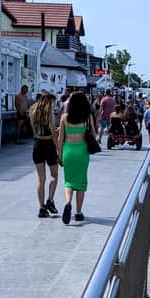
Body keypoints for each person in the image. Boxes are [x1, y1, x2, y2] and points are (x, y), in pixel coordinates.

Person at [57, 92, 94, 224]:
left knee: (69, 181)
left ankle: (68, 203)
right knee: (81, 182)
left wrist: (60, 155)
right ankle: (78, 212)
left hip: (68, 150)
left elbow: (60, 138)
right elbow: (93, 135)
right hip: (82, 151)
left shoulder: (64, 117)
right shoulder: (87, 117)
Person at [29, 93, 59, 218]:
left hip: (37, 144)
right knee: (54, 176)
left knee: (41, 179)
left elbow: (34, 130)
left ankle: (41, 208)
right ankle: (50, 201)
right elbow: (53, 132)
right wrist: (59, 149)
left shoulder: (32, 111)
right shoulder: (49, 114)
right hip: (49, 145)